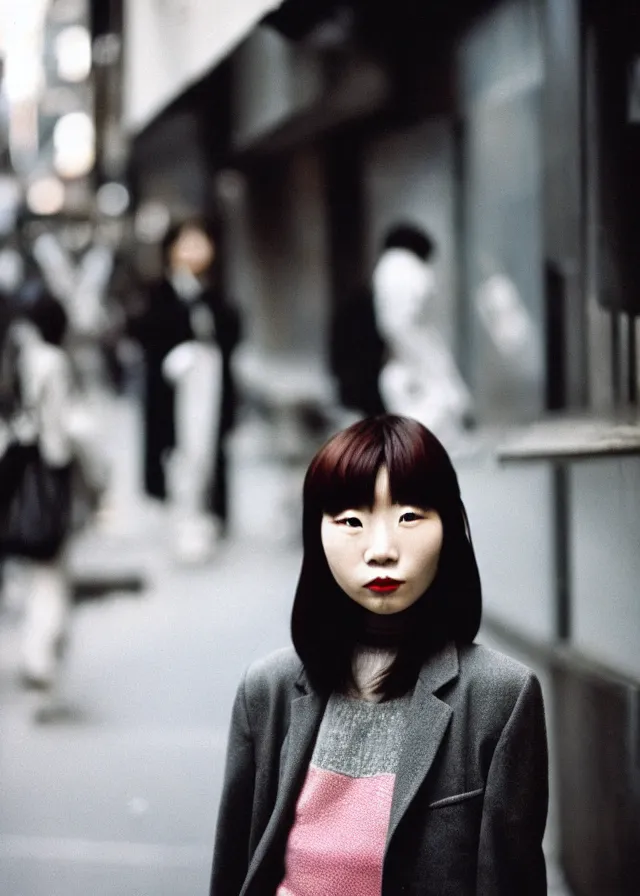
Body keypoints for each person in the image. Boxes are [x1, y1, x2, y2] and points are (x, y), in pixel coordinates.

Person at [209, 414, 548, 896]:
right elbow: (232, 873)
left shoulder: (500, 697)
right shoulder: (267, 689)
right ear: (316, 534)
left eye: (409, 516)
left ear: (449, 528)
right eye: (351, 521)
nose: (382, 549)